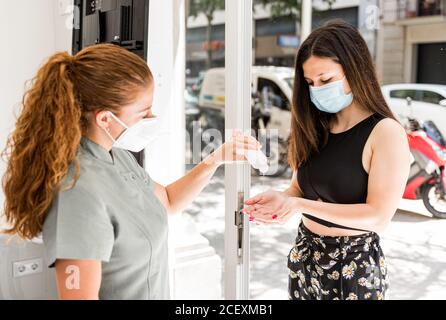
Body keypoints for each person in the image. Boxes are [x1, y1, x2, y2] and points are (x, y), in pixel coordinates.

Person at [1, 44, 260, 300]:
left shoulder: (118, 156)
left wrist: (215, 160)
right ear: (105, 119)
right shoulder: (76, 192)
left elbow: (168, 201)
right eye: (143, 112)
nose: (152, 117)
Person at [242, 20, 410, 300]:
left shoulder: (385, 133)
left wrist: (297, 204)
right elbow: (299, 188)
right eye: (310, 83)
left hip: (352, 270)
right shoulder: (313, 126)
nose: (317, 89)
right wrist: (281, 201)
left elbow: (378, 216)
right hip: (305, 257)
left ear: (355, 71)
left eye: (326, 80)